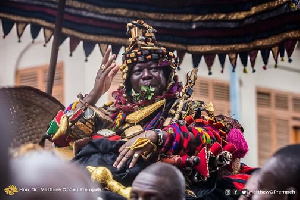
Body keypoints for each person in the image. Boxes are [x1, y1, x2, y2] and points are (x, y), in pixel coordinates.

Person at [46, 20, 253, 199]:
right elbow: (58, 135)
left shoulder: (185, 107)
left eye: (154, 68)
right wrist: (94, 94)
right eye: (138, 70)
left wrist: (157, 136)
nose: (146, 74)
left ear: (167, 75)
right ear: (128, 82)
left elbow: (212, 136)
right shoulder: (113, 113)